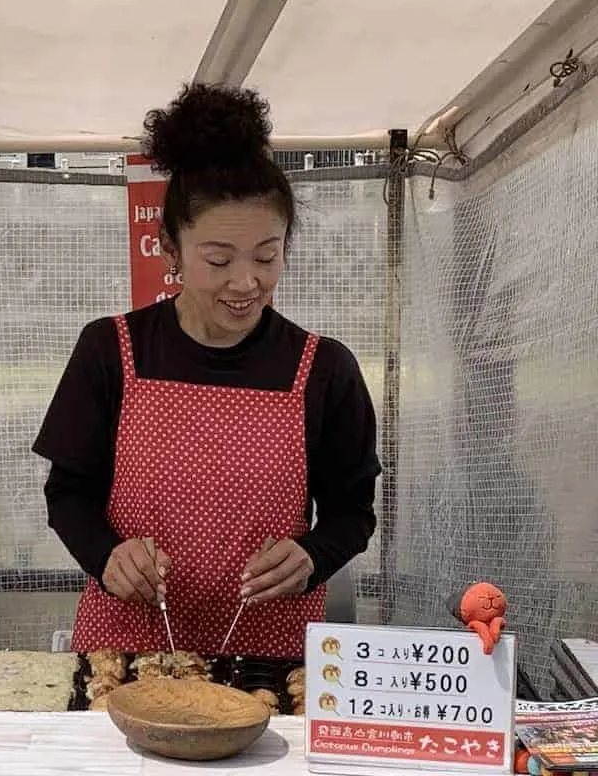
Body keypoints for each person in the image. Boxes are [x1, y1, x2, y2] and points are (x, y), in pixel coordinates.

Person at [36, 83, 381, 659]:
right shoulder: (111, 350)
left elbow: (353, 510)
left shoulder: (324, 368)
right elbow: (69, 493)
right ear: (168, 248)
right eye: (219, 260)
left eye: (267, 257)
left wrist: (314, 556)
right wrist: (107, 556)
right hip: (126, 648)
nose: (246, 282)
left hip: (270, 657)